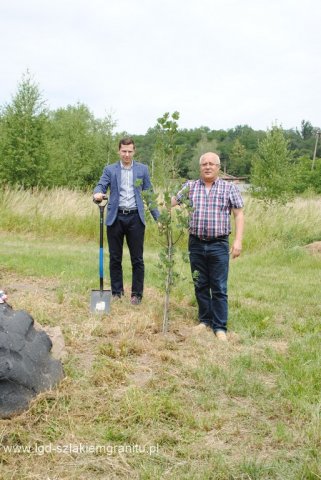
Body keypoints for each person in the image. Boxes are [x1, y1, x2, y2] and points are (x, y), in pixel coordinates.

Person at [171, 152, 244, 341]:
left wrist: (238, 241)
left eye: (212, 164)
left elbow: (238, 215)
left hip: (219, 244)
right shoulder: (190, 187)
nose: (208, 167)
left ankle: (220, 327)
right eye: (204, 164)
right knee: (200, 283)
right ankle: (204, 320)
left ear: (218, 167)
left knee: (219, 286)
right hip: (195, 242)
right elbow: (172, 202)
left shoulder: (229, 188)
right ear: (200, 167)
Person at [93, 138, 159, 305]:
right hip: (116, 217)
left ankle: (136, 295)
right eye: (124, 151)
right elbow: (101, 185)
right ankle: (117, 293)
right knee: (115, 258)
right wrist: (98, 193)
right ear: (119, 151)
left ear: (134, 151)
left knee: (137, 259)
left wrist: (158, 217)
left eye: (130, 151)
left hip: (136, 218)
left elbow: (149, 194)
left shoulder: (142, 170)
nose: (127, 154)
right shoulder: (110, 169)